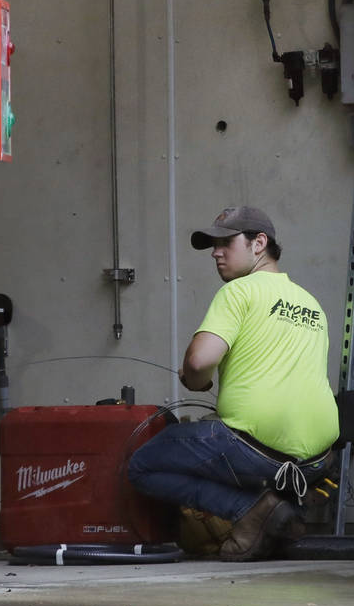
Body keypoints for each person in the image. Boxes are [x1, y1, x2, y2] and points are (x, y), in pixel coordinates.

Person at [128, 206, 340, 561]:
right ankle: (279, 516)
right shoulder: (311, 304)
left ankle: (251, 510)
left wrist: (196, 381)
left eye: (226, 242)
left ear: (259, 243)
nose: (215, 252)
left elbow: (199, 361)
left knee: (143, 466)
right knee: (233, 453)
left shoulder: (238, 292)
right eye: (213, 245)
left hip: (255, 451)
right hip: (317, 462)